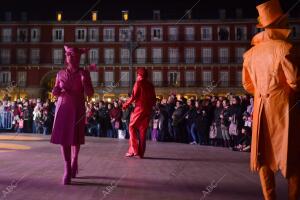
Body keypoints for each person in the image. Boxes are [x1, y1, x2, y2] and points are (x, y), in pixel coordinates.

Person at [242, 0, 300, 199]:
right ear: (280, 24)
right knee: (292, 156)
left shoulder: (249, 54)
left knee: (263, 156)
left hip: (261, 108)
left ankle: (269, 197)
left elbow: (247, 86)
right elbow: (296, 82)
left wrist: (262, 92)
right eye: (285, 21)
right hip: (284, 109)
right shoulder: (286, 48)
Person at [51, 45, 94, 185]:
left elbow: (90, 94)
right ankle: (67, 168)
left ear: (78, 58)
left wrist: (85, 81)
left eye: (73, 55)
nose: (69, 57)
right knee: (64, 139)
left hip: (77, 107)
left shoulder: (84, 73)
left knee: (75, 138)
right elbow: (55, 91)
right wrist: (55, 91)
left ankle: (75, 160)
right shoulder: (60, 74)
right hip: (62, 107)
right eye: (68, 54)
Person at [122, 68, 156, 158]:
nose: (136, 76)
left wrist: (125, 105)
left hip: (139, 108)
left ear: (139, 75)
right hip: (148, 110)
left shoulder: (138, 83)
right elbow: (154, 99)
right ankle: (141, 153)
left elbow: (133, 96)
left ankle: (134, 150)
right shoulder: (150, 85)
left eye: (137, 74)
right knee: (142, 131)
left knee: (131, 127)